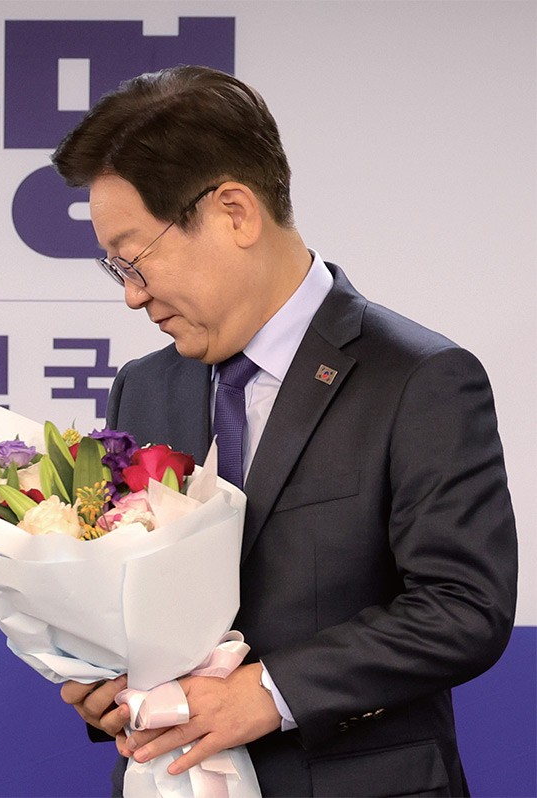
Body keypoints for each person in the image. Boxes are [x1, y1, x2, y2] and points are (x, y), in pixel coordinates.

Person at [50, 65, 518, 796]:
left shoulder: (419, 378)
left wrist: (269, 692)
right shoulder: (144, 387)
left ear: (235, 212)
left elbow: (464, 608)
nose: (133, 297)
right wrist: (109, 680)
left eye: (136, 261)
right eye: (116, 270)